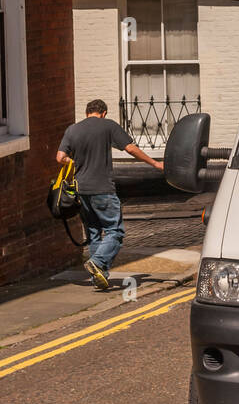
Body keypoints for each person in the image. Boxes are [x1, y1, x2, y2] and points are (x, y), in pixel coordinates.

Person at [56, 99, 164, 290]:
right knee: (115, 231)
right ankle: (98, 263)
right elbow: (130, 148)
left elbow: (60, 158)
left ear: (87, 112)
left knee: (94, 233)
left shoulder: (72, 130)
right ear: (103, 113)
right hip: (102, 189)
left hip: (81, 192)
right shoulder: (108, 126)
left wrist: (74, 161)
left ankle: (98, 277)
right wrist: (155, 163)